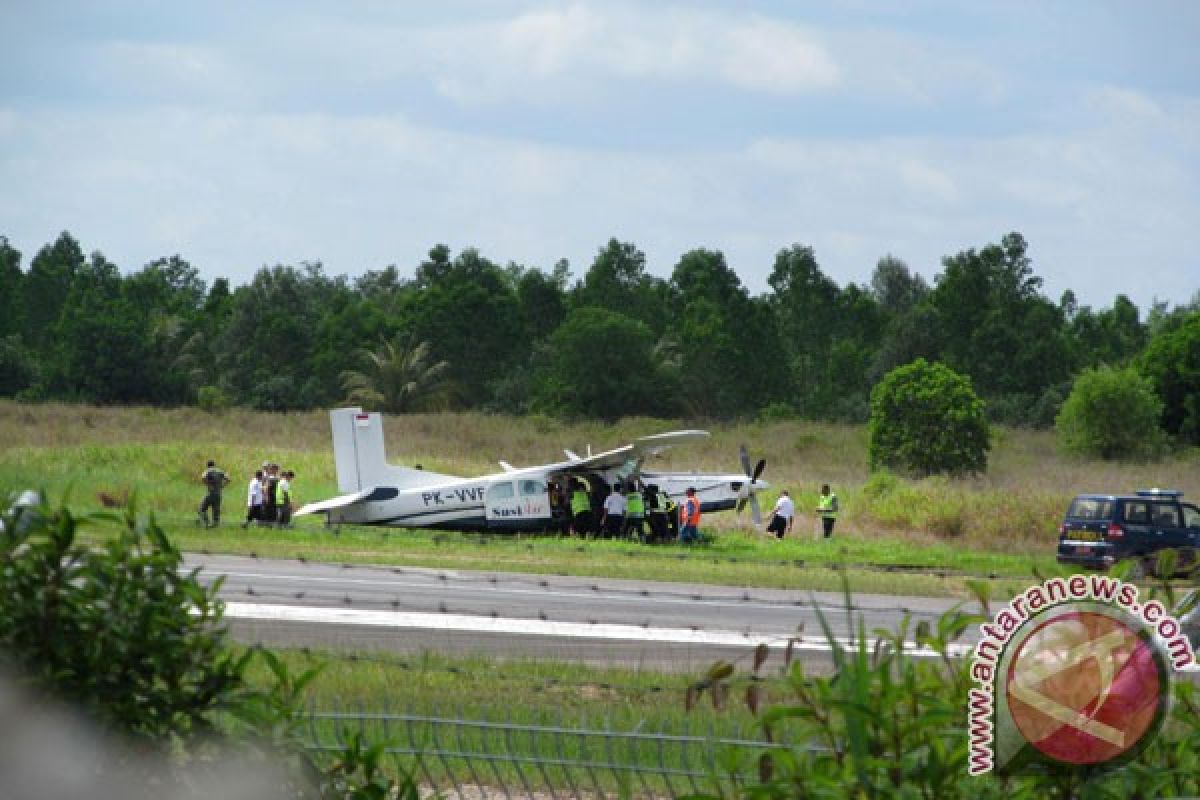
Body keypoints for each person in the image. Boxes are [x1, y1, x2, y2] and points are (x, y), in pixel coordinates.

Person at [197, 459, 231, 528]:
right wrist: (222, 486)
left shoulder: (207, 471)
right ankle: (215, 524)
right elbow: (228, 479)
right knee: (216, 511)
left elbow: (203, 477)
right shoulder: (220, 471)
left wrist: (208, 484)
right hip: (218, 493)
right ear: (214, 465)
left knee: (201, 509)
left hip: (211, 493)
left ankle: (206, 522)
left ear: (207, 466)